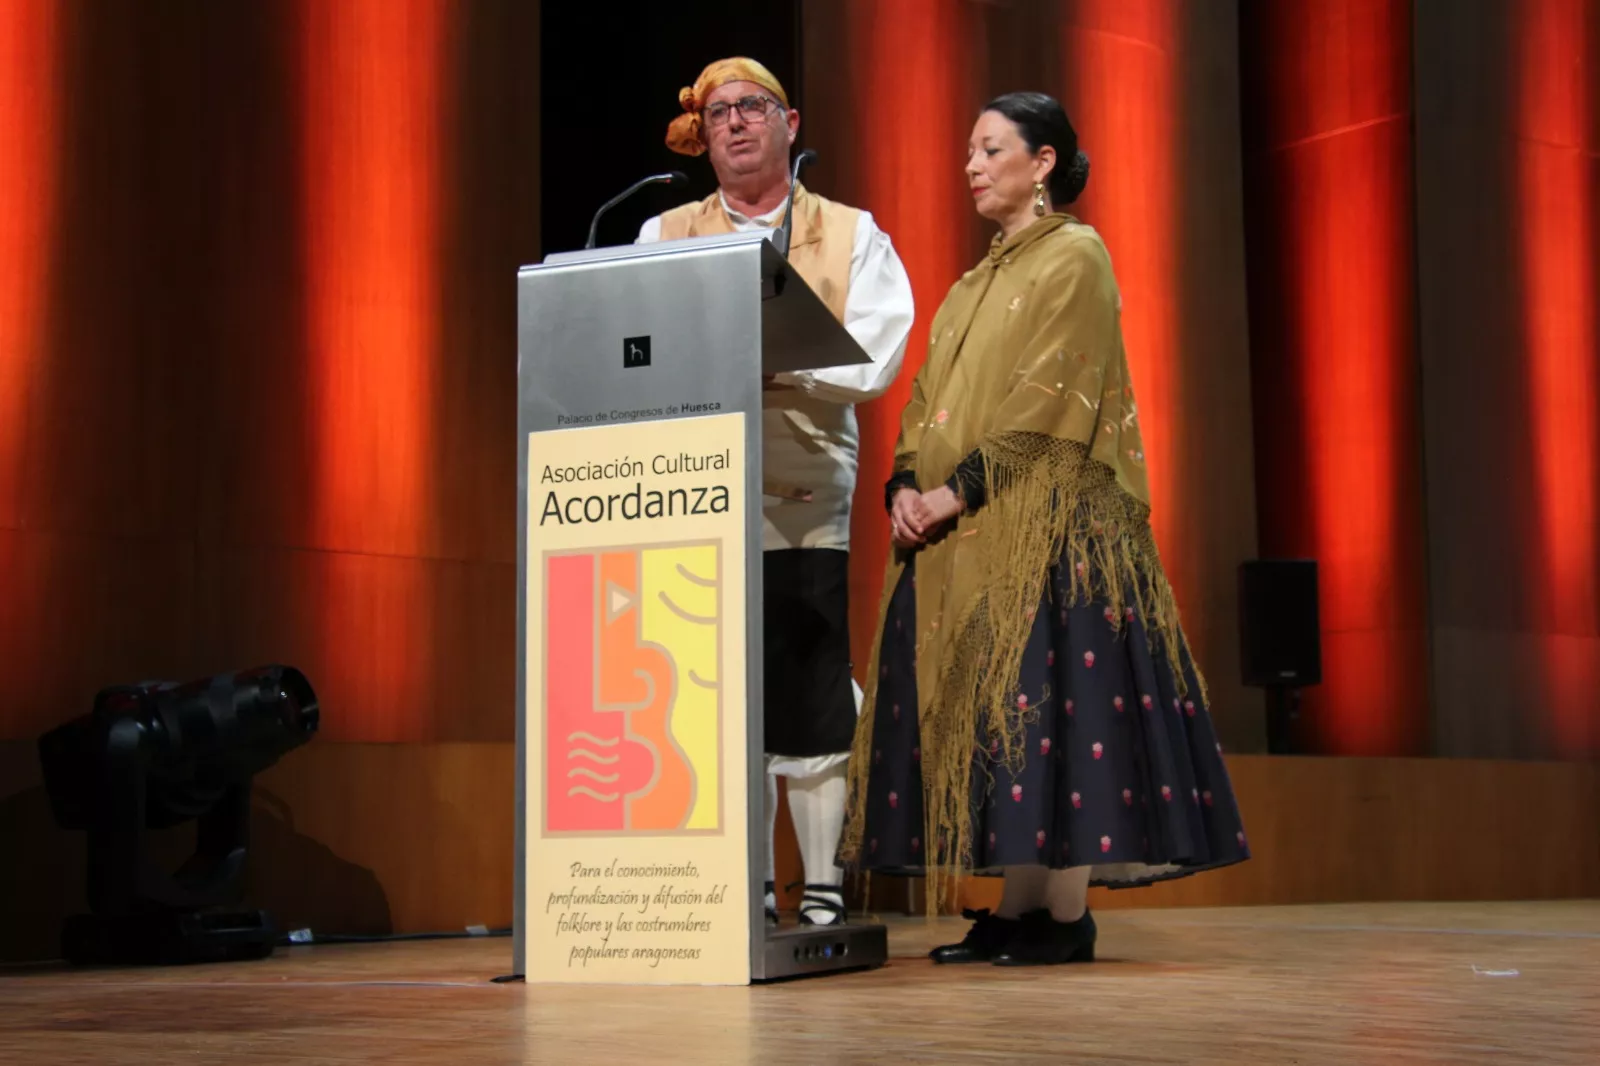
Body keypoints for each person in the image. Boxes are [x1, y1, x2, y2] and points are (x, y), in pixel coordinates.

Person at [838, 92, 1249, 965]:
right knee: (1000, 719)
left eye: (991, 149)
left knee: (1054, 711)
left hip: (1046, 531)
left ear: (1045, 160)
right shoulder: (970, 284)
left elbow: (1052, 396)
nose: (972, 166)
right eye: (971, 152)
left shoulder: (1076, 257)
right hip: (960, 529)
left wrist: (958, 491)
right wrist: (906, 484)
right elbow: (921, 402)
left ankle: (1064, 913)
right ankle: (1021, 904)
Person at [637, 57, 914, 927]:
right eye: (719, 113)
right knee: (716, 700)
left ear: (790, 123)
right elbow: (634, 343)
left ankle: (823, 886)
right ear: (703, 133)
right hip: (694, 497)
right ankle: (745, 891)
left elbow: (875, 353)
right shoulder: (661, 230)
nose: (735, 123)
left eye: (753, 108)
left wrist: (771, 363)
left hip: (802, 495)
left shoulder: (850, 231)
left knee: (810, 691)